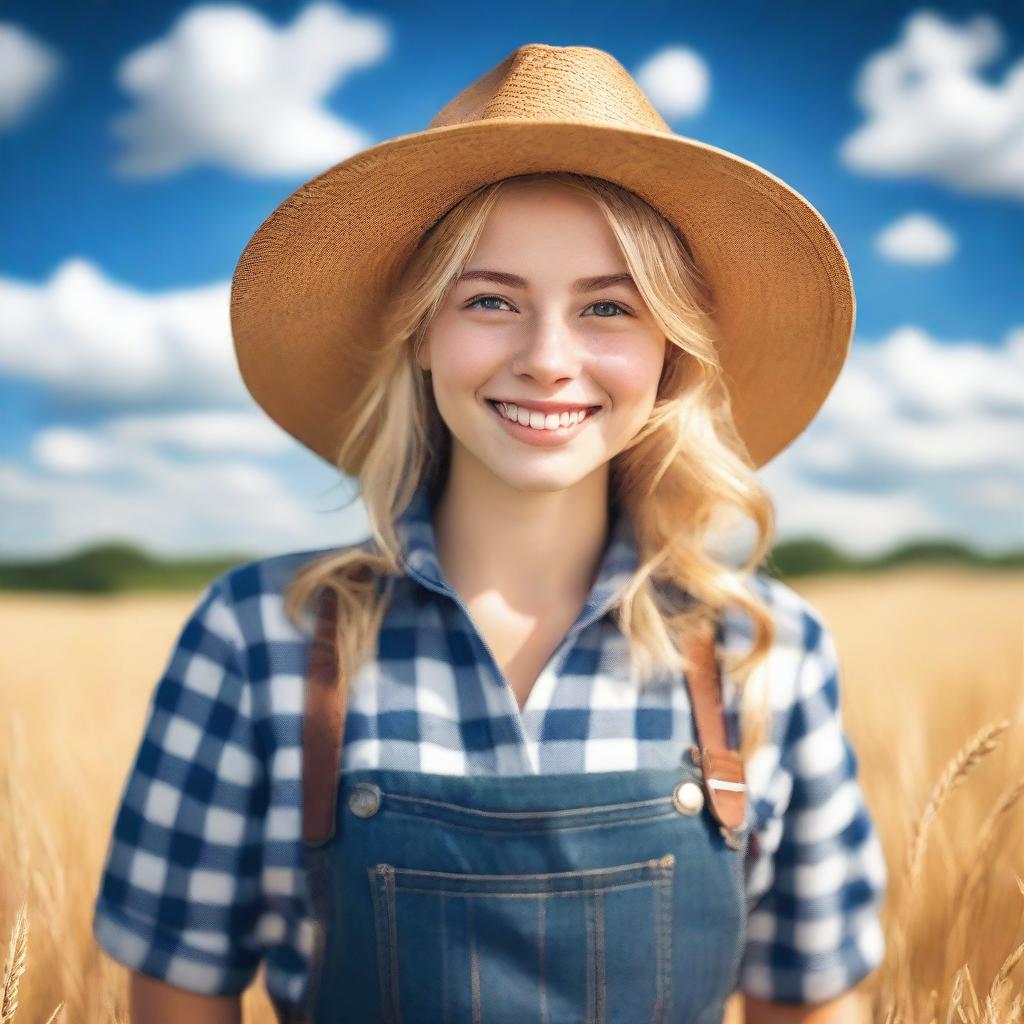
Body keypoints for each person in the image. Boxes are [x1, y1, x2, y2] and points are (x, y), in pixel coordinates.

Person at [91, 43, 887, 1023]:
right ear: (421, 331)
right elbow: (176, 995)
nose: (548, 359)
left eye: (608, 306)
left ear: (669, 351)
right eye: (490, 300)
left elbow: (810, 1005)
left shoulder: (768, 653)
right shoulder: (259, 637)